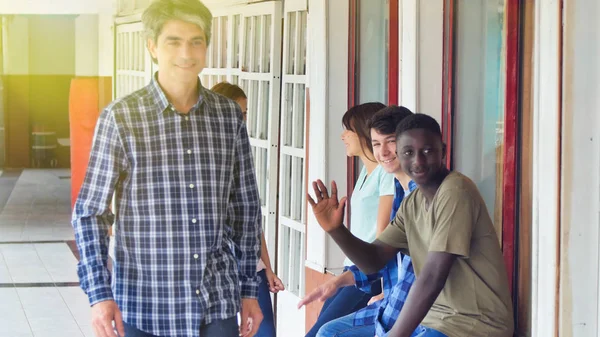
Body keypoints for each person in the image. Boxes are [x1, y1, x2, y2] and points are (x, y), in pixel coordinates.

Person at [72, 1, 263, 337]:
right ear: (152, 47)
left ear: (206, 46)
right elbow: (90, 213)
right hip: (146, 306)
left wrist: (250, 289)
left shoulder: (228, 117)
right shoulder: (121, 118)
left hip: (215, 302)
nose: (186, 52)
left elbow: (245, 209)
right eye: (173, 41)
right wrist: (99, 294)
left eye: (196, 41)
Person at [307, 113, 514, 337]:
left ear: (442, 151)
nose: (418, 161)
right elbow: (374, 260)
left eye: (427, 151)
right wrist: (336, 230)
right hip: (434, 318)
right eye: (408, 153)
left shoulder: (455, 191)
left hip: (472, 323)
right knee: (330, 333)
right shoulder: (412, 202)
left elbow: (433, 275)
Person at [299, 106, 419, 337]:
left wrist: (386, 300)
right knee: (324, 331)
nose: (383, 151)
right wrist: (336, 232)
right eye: (376, 143)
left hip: (392, 289)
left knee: (323, 333)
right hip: (364, 271)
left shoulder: (413, 190)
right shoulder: (394, 183)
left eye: (390, 141)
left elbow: (390, 251)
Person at [211, 81, 284, 337]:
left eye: (244, 113)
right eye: (237, 113)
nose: (242, 120)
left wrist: (267, 267)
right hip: (217, 271)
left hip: (251, 269)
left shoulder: (242, 152)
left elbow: (251, 219)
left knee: (265, 333)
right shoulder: (201, 157)